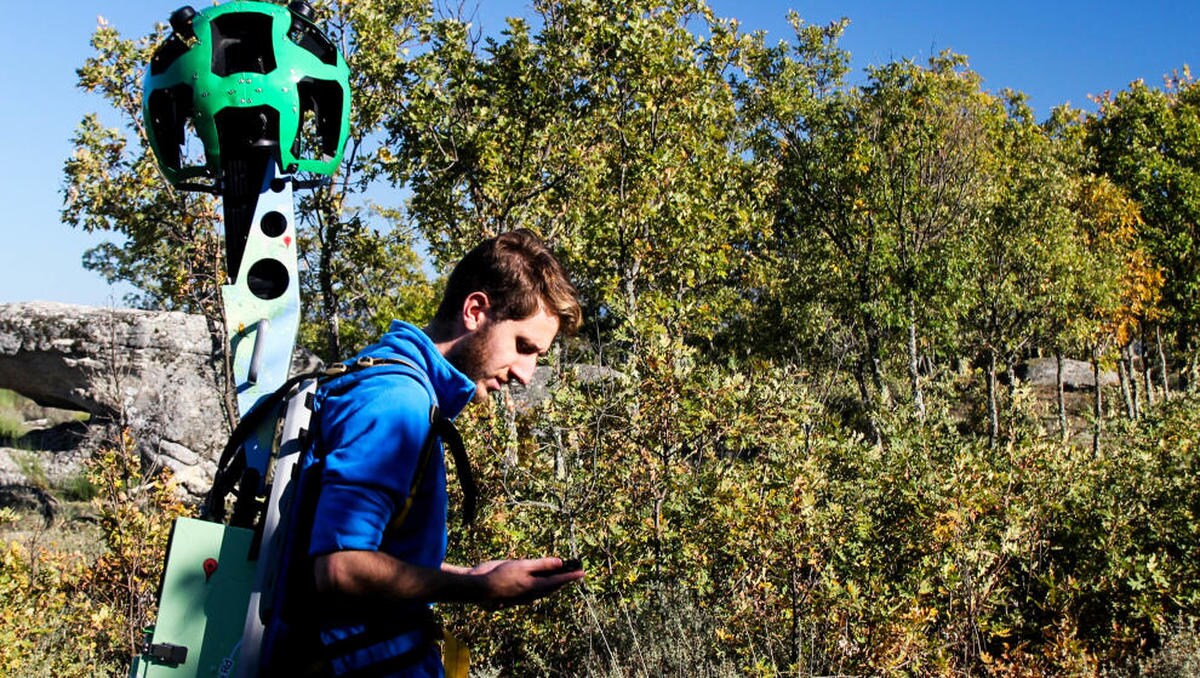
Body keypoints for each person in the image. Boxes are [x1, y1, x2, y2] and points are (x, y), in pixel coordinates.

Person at [264, 229, 586, 677]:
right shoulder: (397, 402)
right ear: (475, 311)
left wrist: (473, 577)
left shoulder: (401, 387)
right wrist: (475, 590)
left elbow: (372, 553)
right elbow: (339, 568)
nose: (526, 374)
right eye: (523, 347)